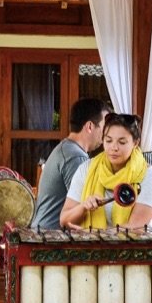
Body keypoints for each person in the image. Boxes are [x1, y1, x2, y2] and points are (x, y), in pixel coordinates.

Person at [59, 113, 152, 230]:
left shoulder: (149, 175)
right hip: (91, 245)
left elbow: (135, 227)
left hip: (134, 247)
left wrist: (93, 235)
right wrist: (83, 207)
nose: (114, 147)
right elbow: (64, 220)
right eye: (108, 141)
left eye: (122, 142)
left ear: (135, 143)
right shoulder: (87, 169)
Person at [30, 98, 111, 230]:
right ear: (90, 126)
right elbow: (88, 205)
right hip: (52, 239)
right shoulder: (75, 157)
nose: (106, 134)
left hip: (43, 231)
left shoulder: (66, 148)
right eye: (104, 127)